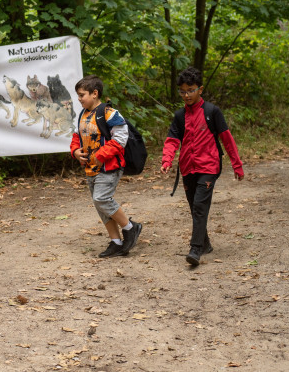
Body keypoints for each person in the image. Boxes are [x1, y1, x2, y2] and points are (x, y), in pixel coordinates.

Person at [161, 66, 244, 266]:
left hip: (209, 165)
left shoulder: (212, 111)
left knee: (199, 205)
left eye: (191, 90)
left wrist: (237, 165)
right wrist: (167, 160)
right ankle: (205, 243)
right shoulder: (180, 115)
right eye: (182, 91)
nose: (186, 95)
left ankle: (195, 249)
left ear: (200, 89)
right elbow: (172, 140)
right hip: (188, 167)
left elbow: (227, 139)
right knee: (194, 206)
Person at [70, 75, 142, 258]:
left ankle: (130, 227)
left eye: (82, 95)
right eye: (78, 95)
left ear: (95, 93)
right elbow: (76, 138)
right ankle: (116, 242)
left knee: (102, 198)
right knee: (99, 204)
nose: (79, 99)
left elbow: (121, 138)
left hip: (109, 167)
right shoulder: (82, 114)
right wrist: (75, 152)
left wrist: (102, 155)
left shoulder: (109, 113)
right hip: (90, 169)